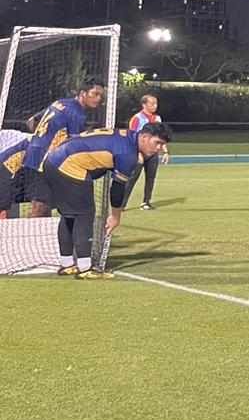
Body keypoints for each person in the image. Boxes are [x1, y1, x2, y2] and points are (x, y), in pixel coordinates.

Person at [44, 122, 172, 278]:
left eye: (162, 145)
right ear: (144, 137)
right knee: (85, 215)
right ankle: (85, 269)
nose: (159, 148)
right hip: (69, 165)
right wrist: (115, 216)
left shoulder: (128, 136)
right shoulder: (128, 154)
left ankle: (67, 264)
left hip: (54, 160)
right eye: (157, 143)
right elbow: (117, 189)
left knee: (70, 215)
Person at [22, 79, 106, 217]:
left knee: (44, 204)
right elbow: (75, 145)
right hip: (44, 161)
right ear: (83, 93)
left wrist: (41, 139)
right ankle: (27, 236)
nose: (98, 99)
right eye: (95, 94)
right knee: (41, 206)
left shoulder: (61, 102)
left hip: (34, 154)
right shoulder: (77, 113)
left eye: (101, 96)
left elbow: (31, 121)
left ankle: (41, 236)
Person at [127, 94, 167, 209]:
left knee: (151, 178)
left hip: (153, 154)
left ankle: (146, 202)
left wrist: (165, 151)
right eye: (152, 103)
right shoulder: (137, 118)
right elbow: (131, 136)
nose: (155, 106)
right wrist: (136, 153)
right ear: (144, 104)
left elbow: (161, 136)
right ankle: (122, 203)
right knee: (132, 178)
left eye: (156, 104)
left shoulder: (158, 119)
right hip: (140, 153)